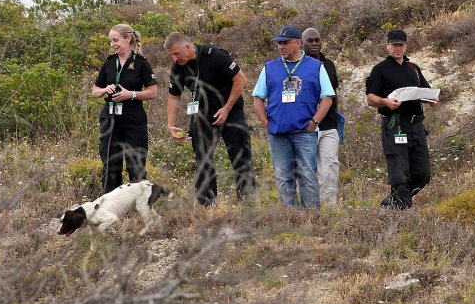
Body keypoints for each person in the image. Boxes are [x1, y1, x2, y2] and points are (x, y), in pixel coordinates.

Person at [165, 32, 256, 206]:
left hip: (230, 110)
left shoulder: (215, 55)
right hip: (202, 114)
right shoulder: (178, 67)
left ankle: (247, 201)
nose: (174, 59)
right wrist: (171, 124)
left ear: (188, 46)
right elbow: (173, 96)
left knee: (240, 155)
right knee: (203, 160)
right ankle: (206, 204)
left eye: (176, 53)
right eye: (171, 55)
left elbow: (241, 80)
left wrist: (227, 108)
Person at [252, 26, 334, 208]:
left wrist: (314, 123)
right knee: (283, 177)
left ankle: (312, 217)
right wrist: (266, 123)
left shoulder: (316, 67)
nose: (281, 47)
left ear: (298, 43)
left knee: (307, 175)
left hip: (304, 132)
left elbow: (327, 97)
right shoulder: (269, 68)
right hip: (278, 133)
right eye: (279, 43)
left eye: (285, 43)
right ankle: (292, 217)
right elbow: (257, 98)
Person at [365, 28, 437, 209]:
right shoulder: (380, 69)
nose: (398, 48)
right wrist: (385, 102)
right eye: (394, 45)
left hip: (416, 125)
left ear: (405, 46)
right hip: (394, 124)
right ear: (388, 46)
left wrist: (432, 100)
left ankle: (394, 199)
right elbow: (371, 98)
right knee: (399, 172)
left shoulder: (413, 68)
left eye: (401, 45)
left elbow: (426, 91)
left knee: (422, 174)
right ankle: (400, 211)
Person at [92, 24, 157, 194]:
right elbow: (95, 90)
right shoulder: (109, 63)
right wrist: (105, 90)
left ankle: (140, 202)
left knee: (135, 163)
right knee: (110, 162)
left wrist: (131, 94)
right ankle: (110, 202)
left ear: (128, 39)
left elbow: (152, 92)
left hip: (133, 119)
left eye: (115, 40)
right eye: (111, 41)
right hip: (110, 118)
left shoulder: (141, 63)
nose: (112, 44)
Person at [302, 27, 341, 205]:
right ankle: (309, 206)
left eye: (317, 40)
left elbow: (333, 94)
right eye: (310, 40)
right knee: (307, 169)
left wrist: (337, 118)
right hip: (305, 125)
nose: (315, 43)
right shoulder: (297, 65)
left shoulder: (329, 64)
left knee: (330, 166)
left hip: (329, 124)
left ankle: (329, 206)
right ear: (302, 43)